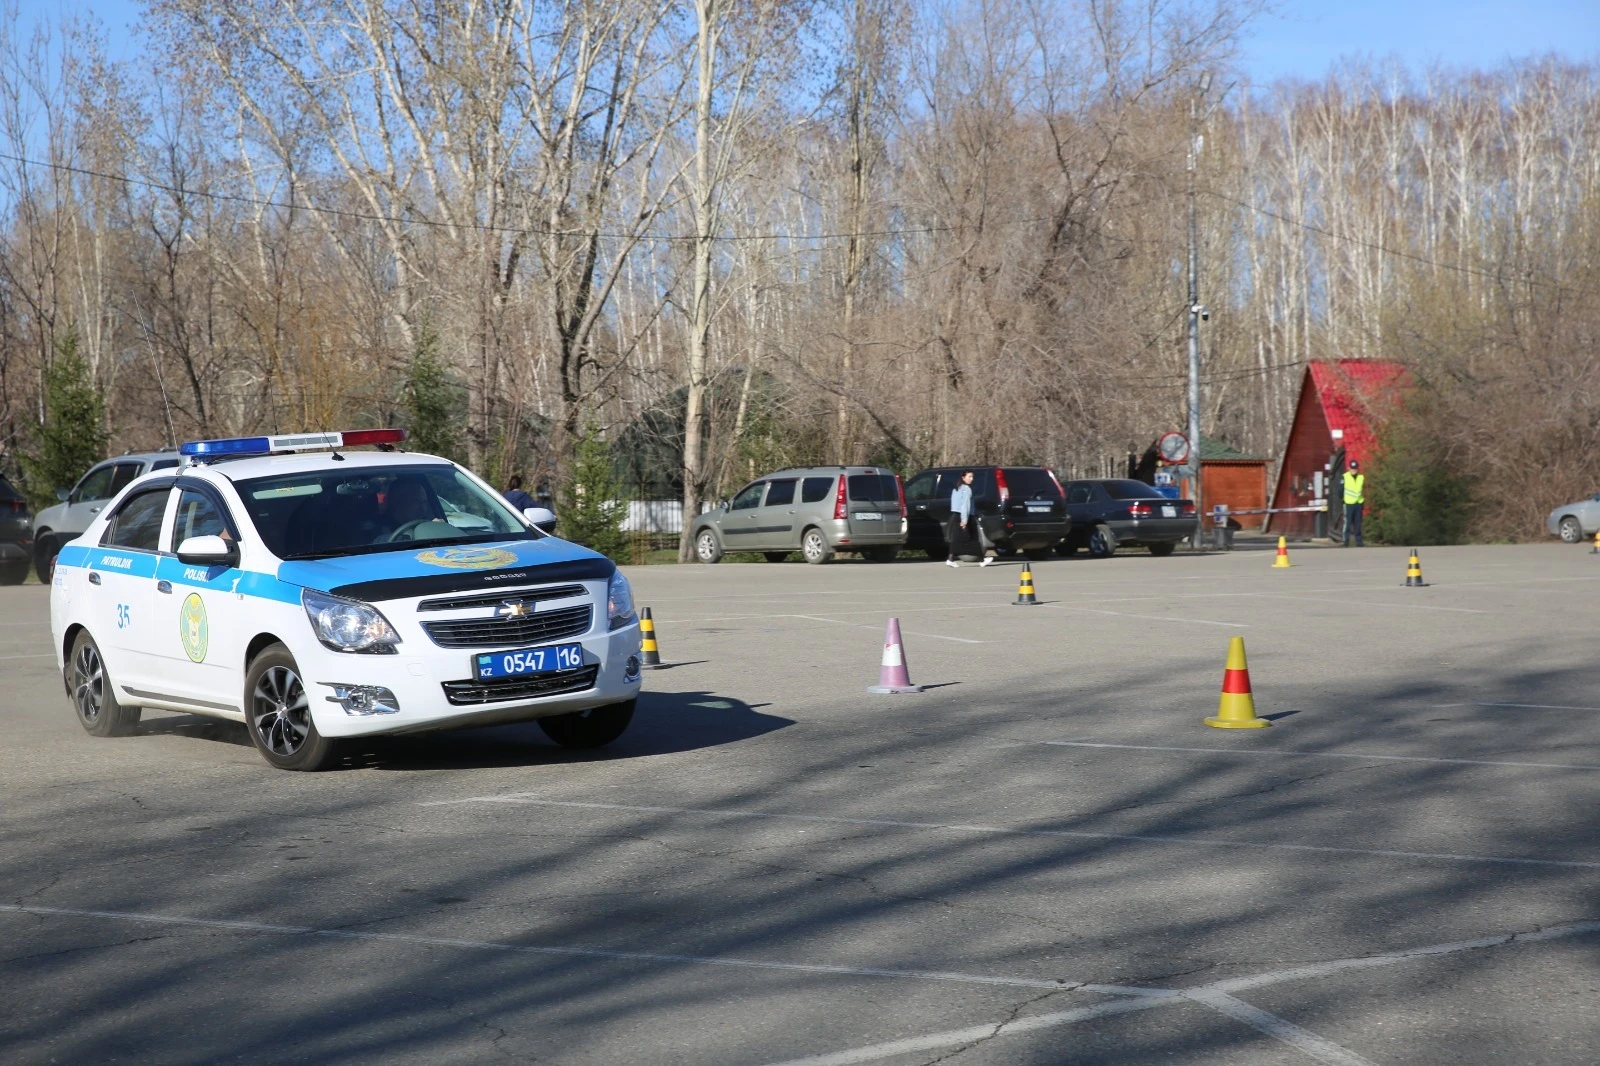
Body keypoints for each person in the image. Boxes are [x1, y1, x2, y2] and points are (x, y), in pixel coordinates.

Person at [946, 470, 994, 567]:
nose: (971, 479)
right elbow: (965, 505)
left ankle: (950, 559)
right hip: (965, 516)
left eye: (972, 477)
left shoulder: (956, 488)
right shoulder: (967, 489)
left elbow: (954, 504)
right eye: (969, 477)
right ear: (963, 478)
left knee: (957, 538)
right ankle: (982, 559)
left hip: (956, 515)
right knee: (972, 538)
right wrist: (964, 520)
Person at [1342, 459, 1365, 547]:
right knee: (1347, 523)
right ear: (1349, 468)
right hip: (1348, 503)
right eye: (1352, 469)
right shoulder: (1344, 477)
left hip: (1358, 503)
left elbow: (1360, 490)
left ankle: (1359, 541)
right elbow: (1340, 490)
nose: (1353, 470)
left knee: (1358, 523)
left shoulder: (1361, 477)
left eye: (1355, 469)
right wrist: (1343, 499)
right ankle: (1346, 541)